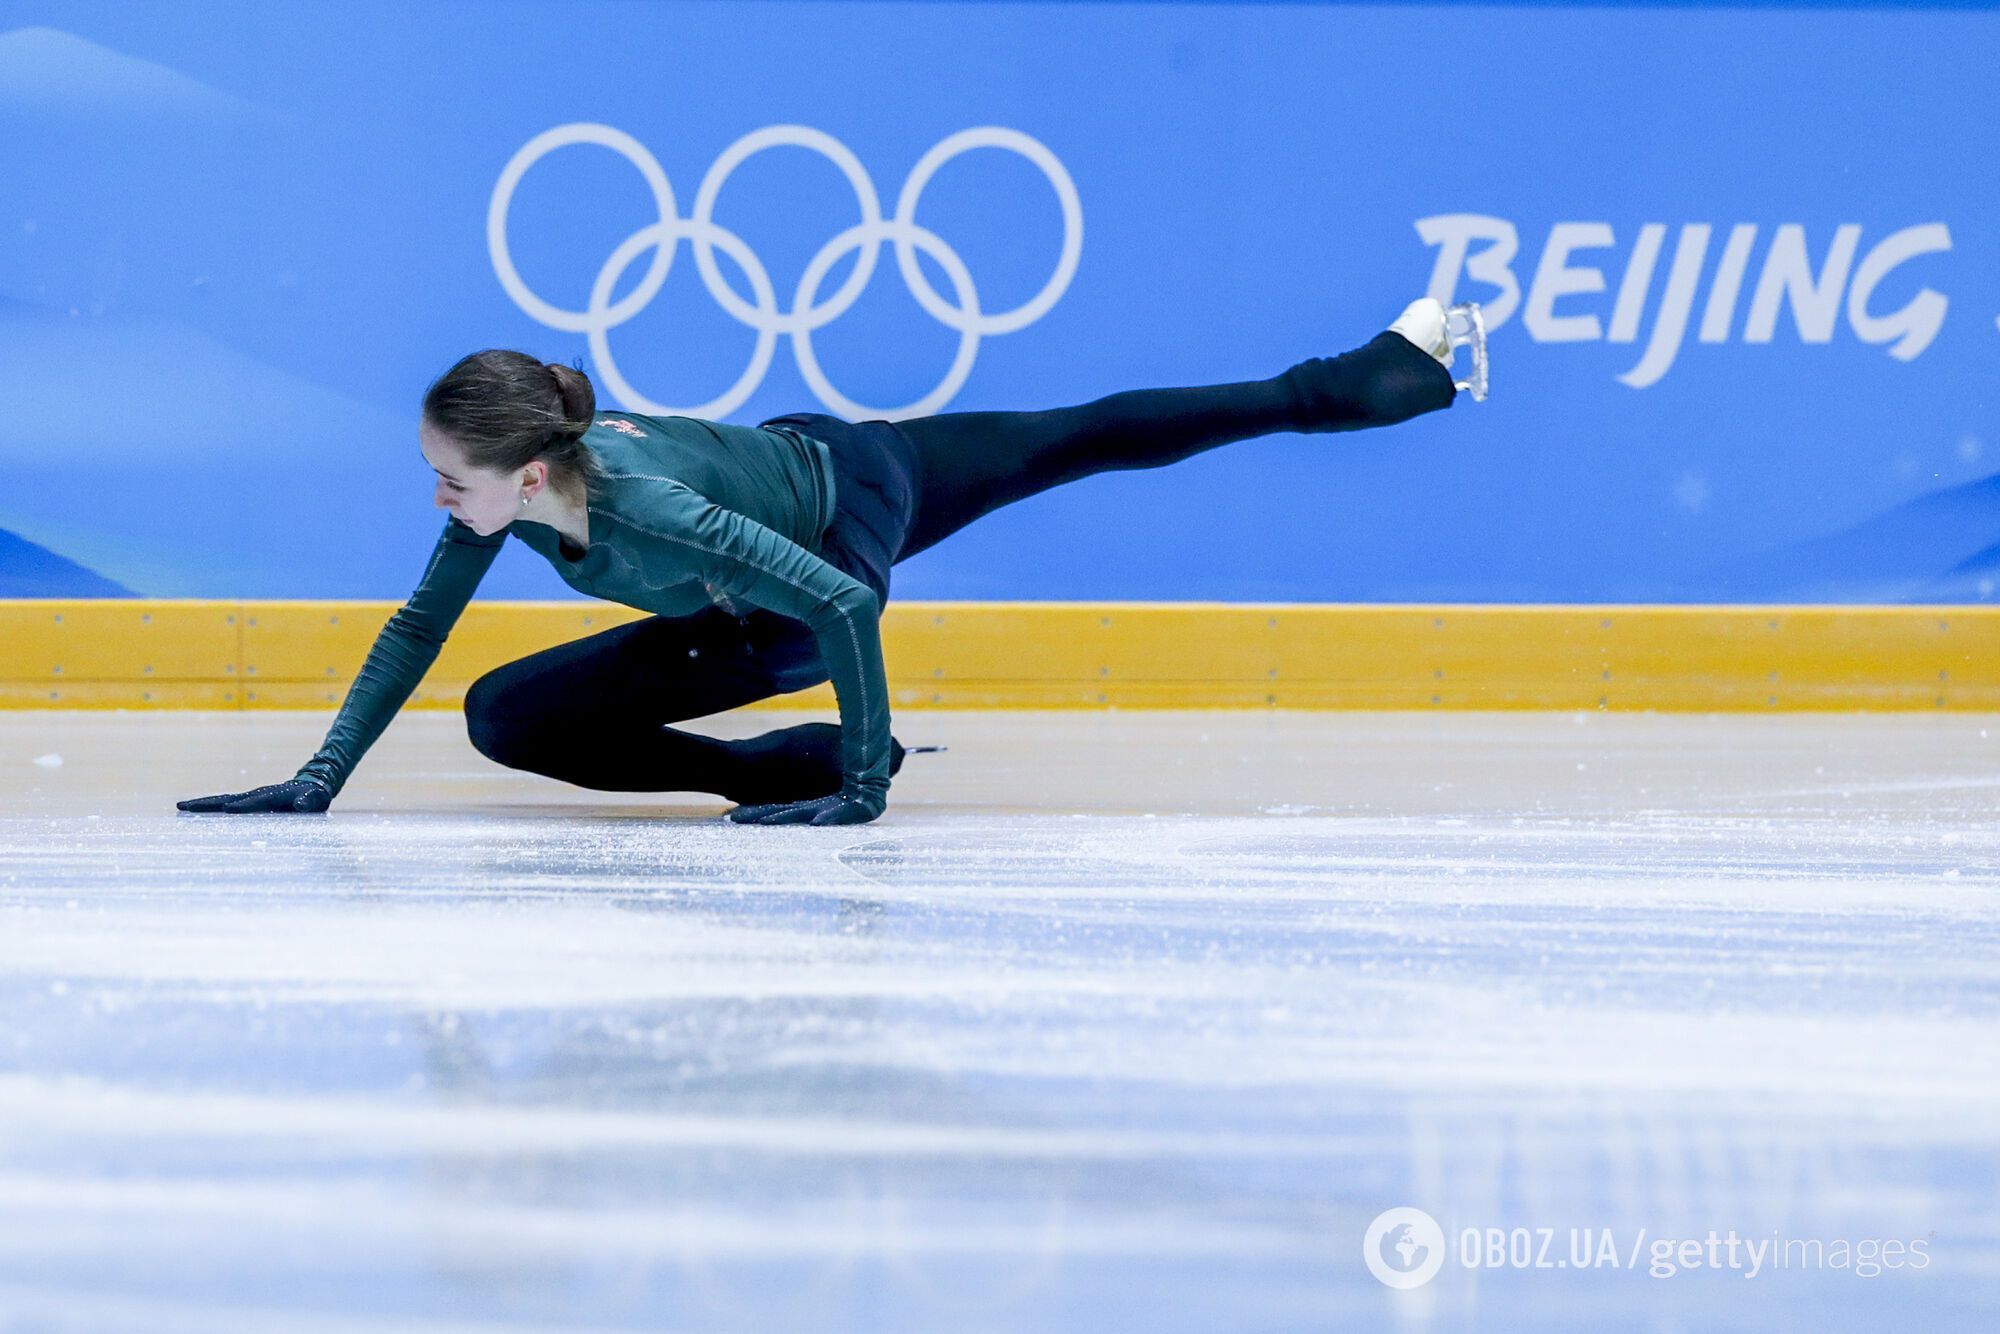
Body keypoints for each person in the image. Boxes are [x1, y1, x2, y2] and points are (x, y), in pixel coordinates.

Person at [177, 298, 1486, 826]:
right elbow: (418, 629)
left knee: (1077, 436)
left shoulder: (651, 513)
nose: (434, 495)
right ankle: (765, 769)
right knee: (501, 713)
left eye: (448, 474)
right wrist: (317, 778)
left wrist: (865, 788)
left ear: (529, 472)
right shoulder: (505, 503)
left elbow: (848, 597)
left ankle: (1357, 381)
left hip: (848, 503)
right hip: (792, 464)